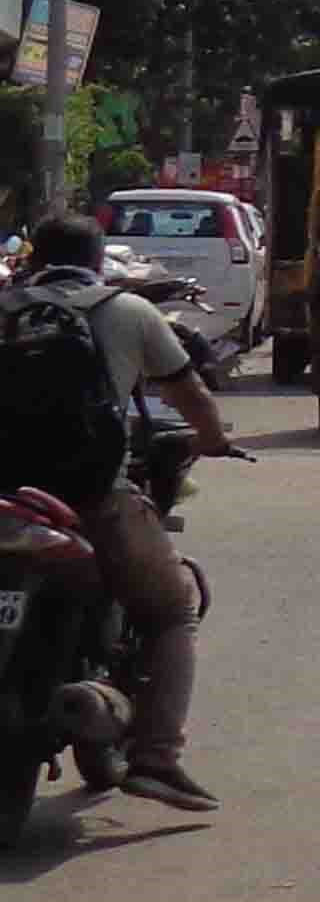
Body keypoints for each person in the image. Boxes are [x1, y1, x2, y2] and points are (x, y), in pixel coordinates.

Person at [6, 213, 235, 813]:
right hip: (90, 500)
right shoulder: (129, 312)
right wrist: (213, 438)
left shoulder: (5, 308)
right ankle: (157, 758)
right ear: (99, 257)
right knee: (170, 613)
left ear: (32, 256)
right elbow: (191, 396)